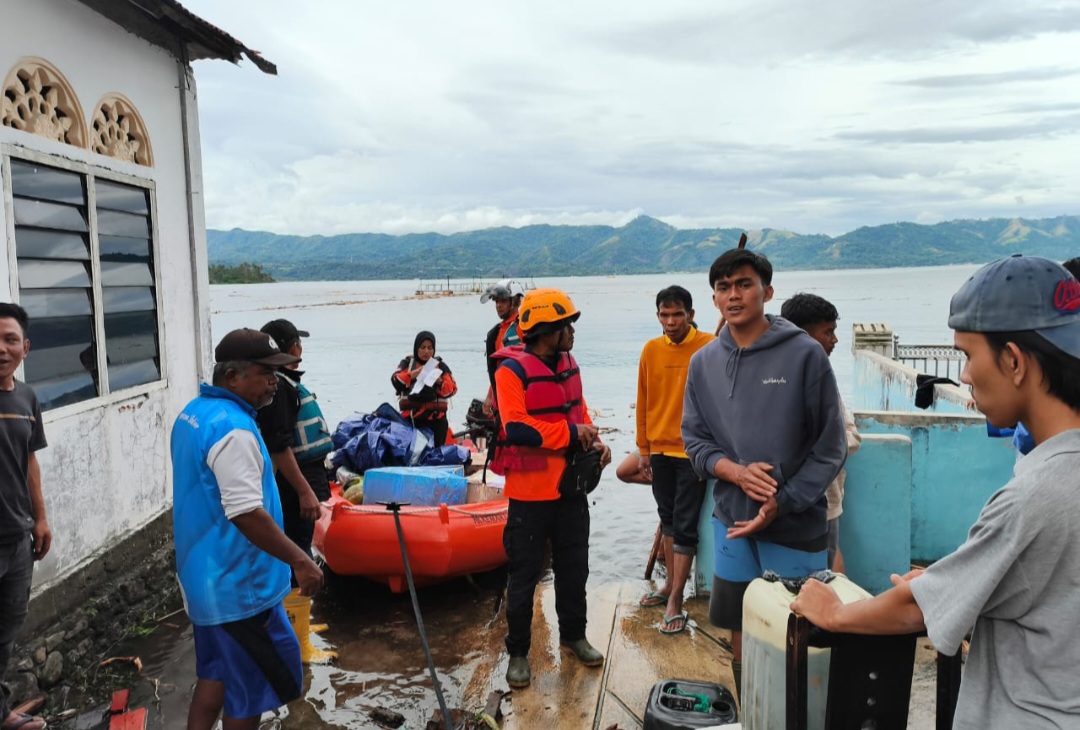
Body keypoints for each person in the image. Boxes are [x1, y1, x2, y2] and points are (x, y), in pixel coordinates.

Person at [792, 254, 1080, 729]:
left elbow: (913, 611)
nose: (964, 376)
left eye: (968, 356)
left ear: (1013, 361)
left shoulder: (1030, 497)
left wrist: (836, 612)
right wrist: (945, 583)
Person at [681, 248, 847, 690]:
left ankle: (798, 712)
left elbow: (831, 448)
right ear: (714, 299)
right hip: (732, 522)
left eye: (744, 284)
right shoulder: (703, 364)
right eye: (723, 287)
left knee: (799, 631)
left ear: (767, 292)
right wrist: (734, 472)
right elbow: (694, 441)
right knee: (740, 623)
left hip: (793, 523)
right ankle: (749, 705)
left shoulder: (805, 355)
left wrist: (783, 500)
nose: (733, 295)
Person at [172, 328, 325, 730]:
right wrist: (300, 560)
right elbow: (244, 512)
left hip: (205, 581)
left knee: (216, 678)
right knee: (248, 691)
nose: (274, 380)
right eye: (265, 373)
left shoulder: (195, 412)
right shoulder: (232, 430)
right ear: (233, 377)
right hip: (239, 588)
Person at [490, 288, 612, 689]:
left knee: (575, 569)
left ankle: (574, 636)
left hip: (571, 492)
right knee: (524, 576)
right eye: (566, 325)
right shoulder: (511, 372)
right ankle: (519, 653)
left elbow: (579, 410)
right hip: (530, 497)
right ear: (545, 331)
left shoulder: (569, 363)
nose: (572, 332)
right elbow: (518, 428)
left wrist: (593, 440)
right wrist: (570, 432)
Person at [634, 286, 715, 633]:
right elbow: (643, 399)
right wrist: (643, 450)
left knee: (685, 525)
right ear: (657, 317)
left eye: (677, 315)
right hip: (660, 452)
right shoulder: (650, 350)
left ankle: (676, 600)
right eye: (664, 315)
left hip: (693, 452)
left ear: (691, 315)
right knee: (667, 518)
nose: (670, 322)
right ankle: (669, 585)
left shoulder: (710, 345)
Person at [256, 319, 336, 664]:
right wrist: (303, 491)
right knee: (297, 552)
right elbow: (279, 446)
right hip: (294, 483)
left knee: (300, 546)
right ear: (286, 349)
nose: (300, 349)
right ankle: (299, 644)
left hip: (305, 477)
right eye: (295, 343)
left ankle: (298, 623)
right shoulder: (282, 391)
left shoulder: (285, 385)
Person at [780, 293, 862, 573]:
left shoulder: (823, 380)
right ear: (803, 335)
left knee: (824, 566)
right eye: (828, 332)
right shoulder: (775, 377)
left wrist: (818, 452)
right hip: (786, 501)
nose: (835, 340)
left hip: (825, 498)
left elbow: (850, 436)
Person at [0, 304, 49, 730]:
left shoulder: (26, 398)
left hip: (16, 538)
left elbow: (29, 460)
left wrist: (41, 518)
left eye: (9, 339)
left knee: (5, 631)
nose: (1, 348)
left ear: (25, 348)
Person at [391, 331, 458, 446]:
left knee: (439, 436)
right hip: (411, 419)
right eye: (422, 347)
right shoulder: (407, 364)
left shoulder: (441, 366)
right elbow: (395, 380)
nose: (426, 351)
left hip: (436, 420)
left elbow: (452, 389)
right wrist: (412, 375)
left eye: (430, 348)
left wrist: (439, 381)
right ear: (416, 348)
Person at [481, 280, 525, 417]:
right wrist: (490, 395)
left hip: (520, 393)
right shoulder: (497, 332)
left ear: (515, 301)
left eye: (503, 301)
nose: (498, 306)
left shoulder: (524, 327)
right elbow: (496, 369)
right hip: (501, 393)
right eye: (496, 302)